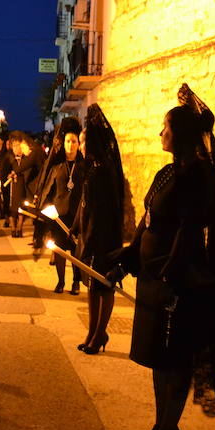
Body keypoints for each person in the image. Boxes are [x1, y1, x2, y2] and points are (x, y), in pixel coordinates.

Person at [106, 83, 215, 430]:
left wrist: (170, 278)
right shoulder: (166, 173)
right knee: (155, 357)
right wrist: (128, 258)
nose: (160, 133)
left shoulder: (199, 177)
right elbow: (148, 220)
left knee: (175, 359)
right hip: (153, 279)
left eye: (165, 127)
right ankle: (163, 426)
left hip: (177, 283)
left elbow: (187, 230)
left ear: (179, 133)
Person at [72, 104, 125, 354]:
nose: (81, 147)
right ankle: (92, 332)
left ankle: (100, 333)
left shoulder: (102, 171)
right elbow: (85, 205)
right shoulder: (91, 168)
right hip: (91, 236)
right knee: (93, 287)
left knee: (104, 286)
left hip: (103, 239)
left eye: (83, 142)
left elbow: (101, 211)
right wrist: (76, 228)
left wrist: (90, 240)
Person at [39, 117, 84, 294]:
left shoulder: (83, 165)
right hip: (59, 215)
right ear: (63, 143)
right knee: (59, 250)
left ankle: (75, 282)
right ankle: (60, 281)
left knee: (75, 252)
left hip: (76, 214)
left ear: (78, 144)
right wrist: (48, 209)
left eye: (74, 141)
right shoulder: (57, 166)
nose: (71, 145)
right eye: (68, 141)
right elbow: (49, 190)